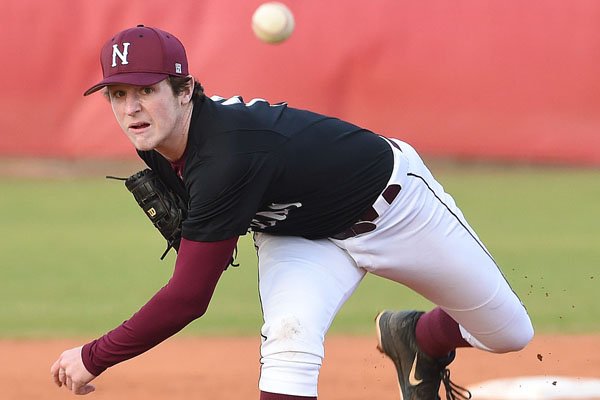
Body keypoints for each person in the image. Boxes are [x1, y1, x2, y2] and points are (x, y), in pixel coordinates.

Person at [51, 25, 534, 399]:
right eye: (118, 94)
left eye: (145, 90)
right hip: (297, 232)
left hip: (395, 210)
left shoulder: (226, 156)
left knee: (510, 333)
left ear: (184, 90)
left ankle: (417, 337)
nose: (131, 108)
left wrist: (94, 356)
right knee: (289, 346)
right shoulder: (158, 136)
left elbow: (188, 298)